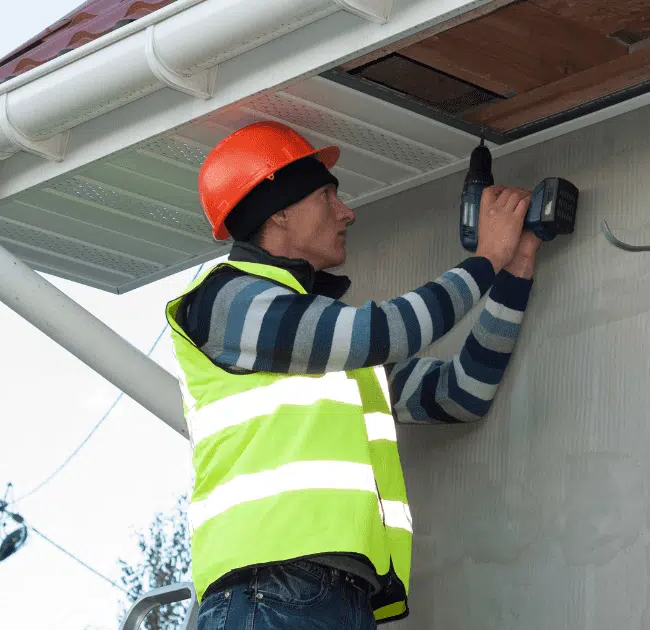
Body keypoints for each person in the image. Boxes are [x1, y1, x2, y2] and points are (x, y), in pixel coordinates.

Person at [165, 121, 541, 629]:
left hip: (333, 598)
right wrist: (486, 258)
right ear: (278, 212)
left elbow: (460, 394)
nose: (348, 213)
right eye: (327, 197)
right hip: (269, 591)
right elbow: (382, 332)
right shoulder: (228, 300)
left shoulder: (321, 346)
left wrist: (514, 271)